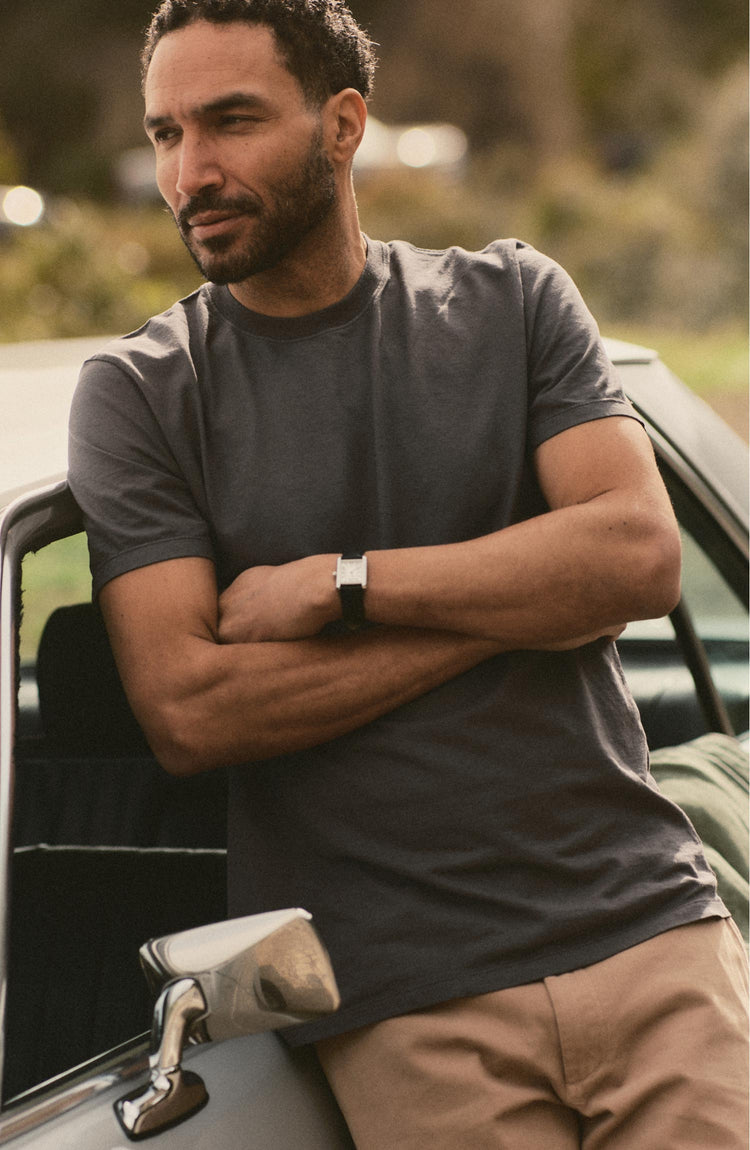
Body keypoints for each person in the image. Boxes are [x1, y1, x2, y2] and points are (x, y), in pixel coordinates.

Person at [68, 2, 748, 1146]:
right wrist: (518, 606)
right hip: (405, 1000)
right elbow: (190, 708)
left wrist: (342, 585)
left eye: (232, 121)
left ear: (343, 125)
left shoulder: (516, 301)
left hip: (649, 935)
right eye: (167, 134)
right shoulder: (142, 395)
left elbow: (637, 554)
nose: (192, 171)